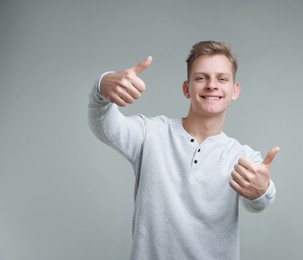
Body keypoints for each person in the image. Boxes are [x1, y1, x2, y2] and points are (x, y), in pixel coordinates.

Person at [88, 41, 280, 260]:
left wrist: (263, 191)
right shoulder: (150, 133)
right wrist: (101, 87)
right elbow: (105, 127)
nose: (211, 85)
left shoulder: (241, 157)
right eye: (201, 78)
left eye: (222, 78)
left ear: (234, 91)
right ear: (186, 89)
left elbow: (259, 201)